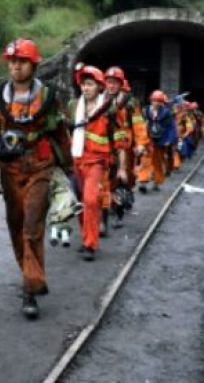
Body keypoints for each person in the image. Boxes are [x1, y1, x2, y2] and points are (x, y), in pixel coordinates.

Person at [0, 38, 73, 319]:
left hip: (40, 166)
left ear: (34, 65)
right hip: (9, 169)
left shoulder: (48, 97)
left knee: (31, 225)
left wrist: (70, 169)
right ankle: (28, 273)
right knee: (16, 226)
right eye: (12, 61)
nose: (16, 66)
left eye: (22, 61)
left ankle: (31, 287)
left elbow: (60, 135)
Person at [65, 65, 126, 261]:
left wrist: (122, 166)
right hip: (76, 160)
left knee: (91, 200)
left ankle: (90, 244)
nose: (86, 88)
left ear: (99, 86)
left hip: (97, 162)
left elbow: (119, 138)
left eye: (90, 84)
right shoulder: (73, 106)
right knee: (79, 202)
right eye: (83, 84)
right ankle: (86, 237)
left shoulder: (109, 109)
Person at [103, 67, 149, 226]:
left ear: (121, 84)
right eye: (109, 82)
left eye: (115, 83)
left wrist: (141, 144)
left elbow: (139, 125)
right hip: (105, 145)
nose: (111, 86)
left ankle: (119, 208)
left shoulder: (130, 103)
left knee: (124, 179)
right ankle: (111, 208)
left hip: (126, 147)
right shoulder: (100, 100)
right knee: (107, 179)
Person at [137, 90, 176, 192]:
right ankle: (143, 181)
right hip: (148, 139)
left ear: (162, 102)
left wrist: (169, 140)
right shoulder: (145, 111)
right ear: (151, 101)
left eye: (158, 101)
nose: (156, 103)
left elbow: (172, 127)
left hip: (160, 141)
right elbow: (139, 125)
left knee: (157, 162)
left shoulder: (166, 113)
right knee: (145, 160)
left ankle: (157, 181)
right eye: (154, 100)